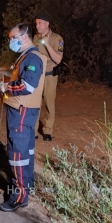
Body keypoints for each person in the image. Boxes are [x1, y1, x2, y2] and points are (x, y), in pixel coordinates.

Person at [0, 23, 47, 212]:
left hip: (22, 110)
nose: (11, 41)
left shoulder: (32, 57)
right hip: (23, 109)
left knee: (17, 153)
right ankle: (27, 186)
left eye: (13, 37)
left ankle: (19, 196)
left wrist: (6, 87)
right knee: (26, 151)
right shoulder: (26, 56)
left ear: (24, 37)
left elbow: (28, 86)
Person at [33, 12, 64, 141]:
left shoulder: (57, 39)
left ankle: (47, 131)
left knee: (49, 104)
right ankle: (33, 130)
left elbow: (58, 59)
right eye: (36, 23)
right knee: (35, 103)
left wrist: (47, 44)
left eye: (40, 23)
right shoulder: (35, 38)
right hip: (36, 76)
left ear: (47, 24)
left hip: (50, 76)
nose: (37, 26)